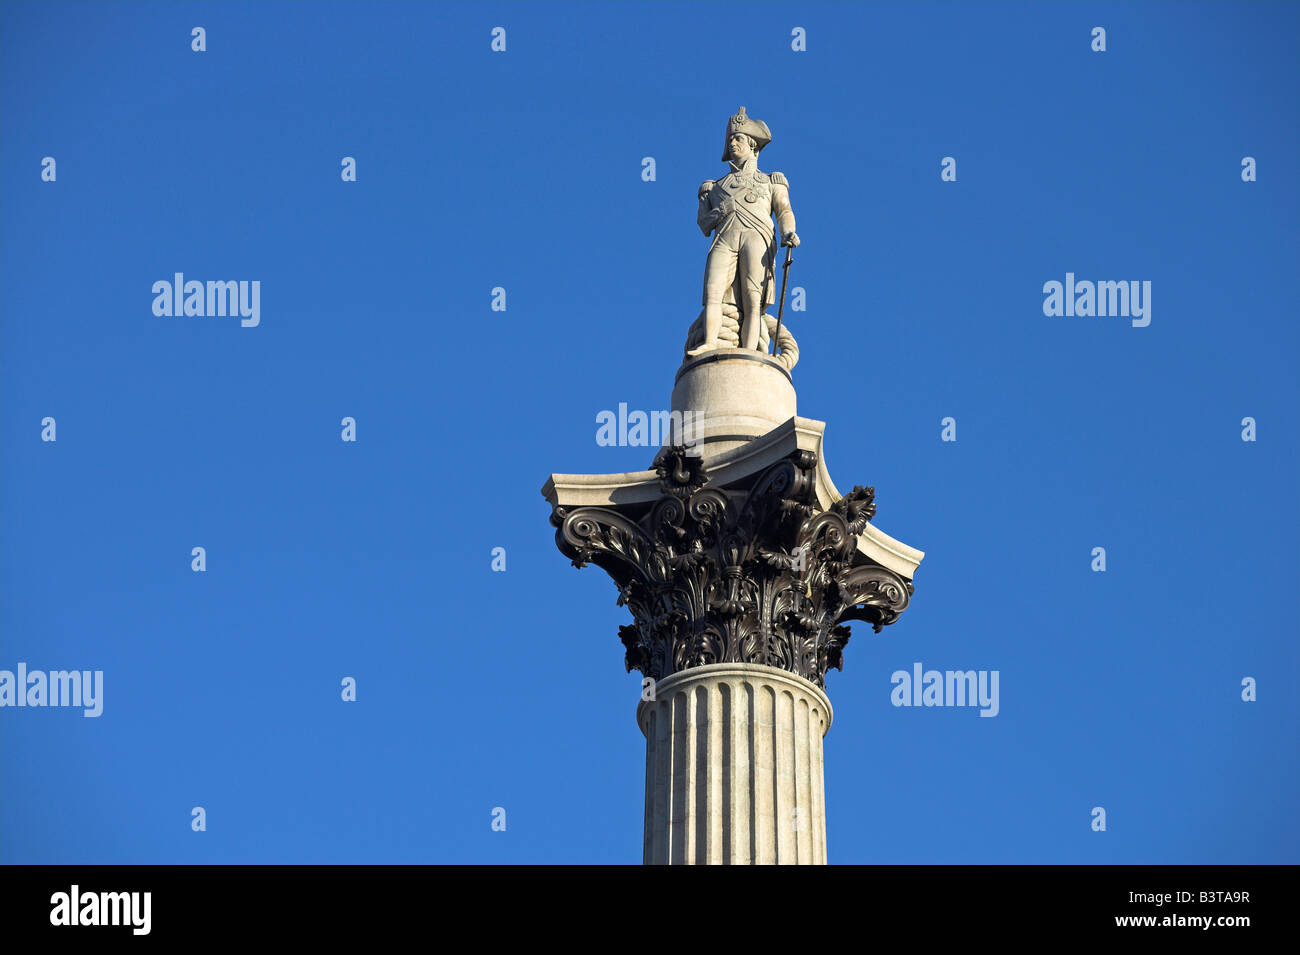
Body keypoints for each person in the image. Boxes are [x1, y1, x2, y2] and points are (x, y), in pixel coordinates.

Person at [689, 106, 800, 356]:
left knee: (753, 298)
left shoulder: (772, 180)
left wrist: (788, 233)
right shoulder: (714, 187)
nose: (732, 143)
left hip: (757, 236)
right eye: (730, 139)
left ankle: (749, 350)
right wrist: (720, 210)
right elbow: (703, 223)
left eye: (738, 138)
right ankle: (709, 341)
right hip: (725, 236)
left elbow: (784, 211)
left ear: (752, 145)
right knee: (713, 291)